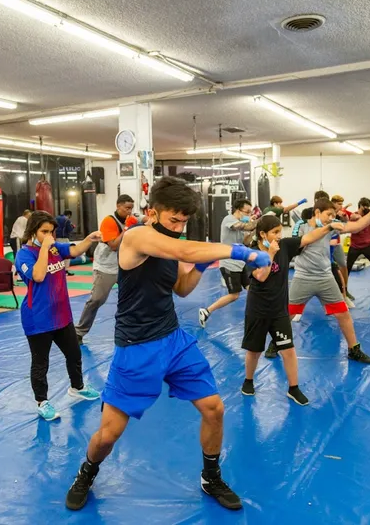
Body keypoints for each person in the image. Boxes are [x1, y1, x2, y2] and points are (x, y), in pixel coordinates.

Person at [65, 176, 271, 512]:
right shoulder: (137, 236)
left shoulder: (170, 244)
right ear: (154, 212)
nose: (179, 226)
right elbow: (185, 249)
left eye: (184, 221)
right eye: (173, 219)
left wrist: (202, 266)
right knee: (108, 434)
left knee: (214, 409)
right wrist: (242, 252)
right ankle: (86, 473)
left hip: (173, 339)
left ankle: (211, 477)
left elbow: (182, 288)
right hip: (136, 347)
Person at [241, 215, 343, 405]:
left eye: (280, 231)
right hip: (258, 311)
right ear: (263, 234)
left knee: (288, 350)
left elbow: (309, 238)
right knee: (254, 351)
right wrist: (270, 254)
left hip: (279, 310)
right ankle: (248, 380)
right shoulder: (252, 255)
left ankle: (293, 388)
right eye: (275, 232)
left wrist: (329, 227)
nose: (280, 236)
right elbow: (261, 277)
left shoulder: (285, 246)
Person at [271, 198, 370, 364]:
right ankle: (275, 343)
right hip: (304, 277)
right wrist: (328, 227)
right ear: (317, 212)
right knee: (288, 313)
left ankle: (354, 349)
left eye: (333, 214)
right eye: (328, 214)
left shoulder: (332, 224)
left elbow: (355, 226)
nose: (331, 217)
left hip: (325, 277)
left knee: (343, 313)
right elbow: (301, 244)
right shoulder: (301, 225)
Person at [15, 211, 102, 421]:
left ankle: (77, 387)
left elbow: (73, 250)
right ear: (33, 231)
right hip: (38, 319)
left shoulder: (54, 248)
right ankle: (42, 402)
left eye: (51, 232)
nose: (49, 235)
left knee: (74, 354)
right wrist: (44, 247)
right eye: (44, 232)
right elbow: (38, 275)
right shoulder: (24, 254)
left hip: (61, 315)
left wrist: (89, 239)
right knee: (40, 363)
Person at [75, 194, 138, 345]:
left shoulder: (132, 217)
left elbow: (147, 220)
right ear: (118, 206)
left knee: (135, 298)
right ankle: (78, 332)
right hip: (106, 267)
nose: (129, 211)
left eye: (131, 208)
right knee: (97, 299)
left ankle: (134, 331)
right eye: (126, 208)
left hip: (125, 265)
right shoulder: (109, 221)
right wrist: (128, 228)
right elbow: (114, 245)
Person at [198, 198, 257, 327]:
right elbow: (242, 226)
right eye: (247, 212)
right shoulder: (229, 220)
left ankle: (259, 313)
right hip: (229, 264)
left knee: (251, 289)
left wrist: (252, 232)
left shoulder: (242, 225)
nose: (248, 215)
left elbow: (246, 242)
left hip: (240, 263)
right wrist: (257, 222)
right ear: (238, 210)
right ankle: (206, 311)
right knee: (234, 295)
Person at [55, 209, 75, 276]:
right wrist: (72, 227)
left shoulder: (56, 218)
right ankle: (65, 270)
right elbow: (69, 229)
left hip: (56, 239)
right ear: (69, 214)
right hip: (64, 239)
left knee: (57, 255)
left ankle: (58, 270)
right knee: (67, 254)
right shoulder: (67, 220)